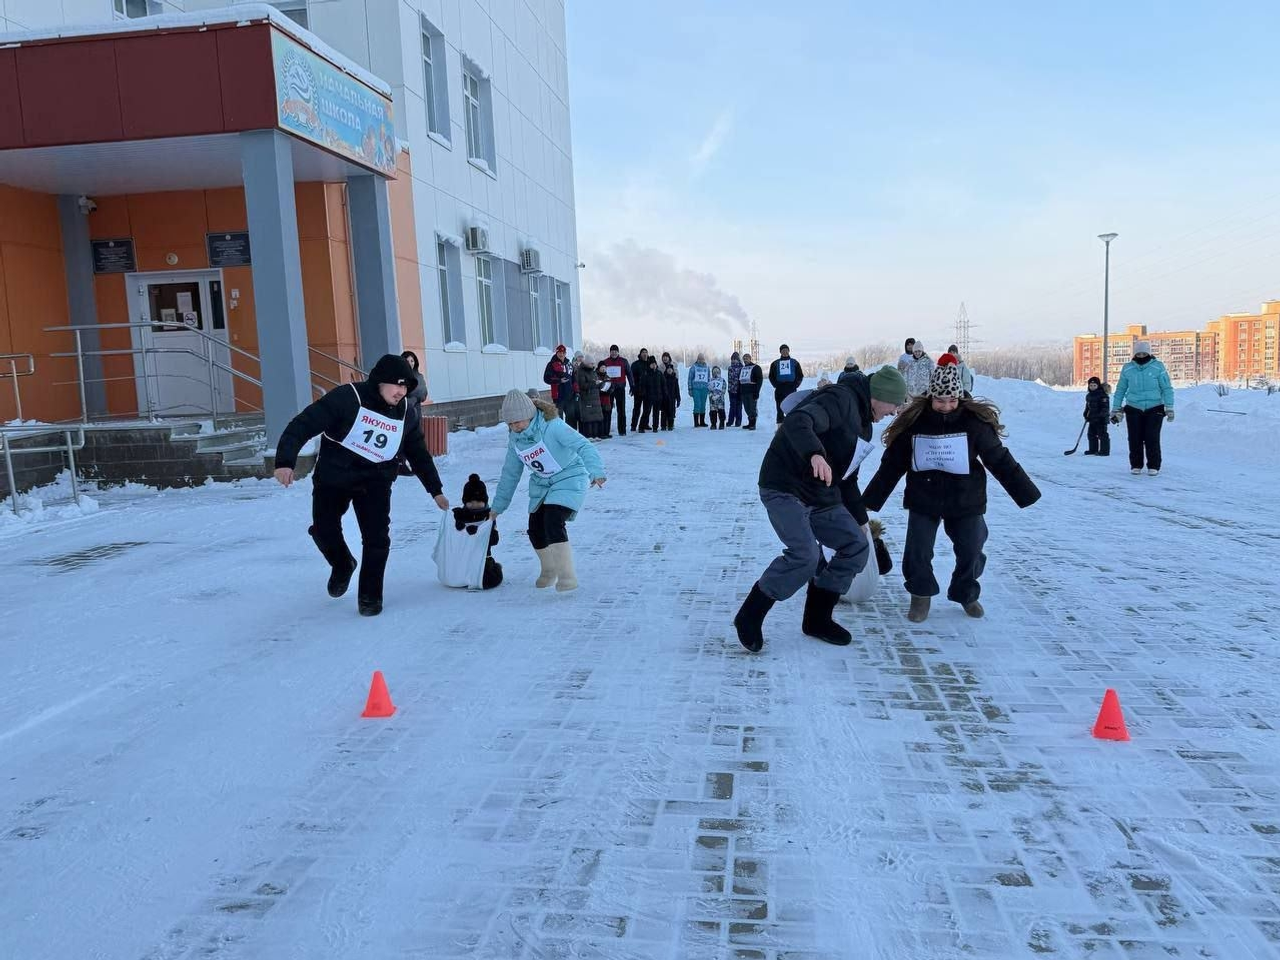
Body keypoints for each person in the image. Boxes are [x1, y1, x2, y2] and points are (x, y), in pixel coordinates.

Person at [732, 364, 908, 653]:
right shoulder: (840, 398)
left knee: (855, 544)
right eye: (894, 404)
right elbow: (798, 421)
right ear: (879, 395)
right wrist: (814, 453)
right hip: (785, 485)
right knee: (805, 556)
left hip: (820, 492)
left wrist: (862, 522)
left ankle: (817, 618)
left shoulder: (864, 424)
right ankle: (751, 614)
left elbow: (847, 478)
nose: (894, 412)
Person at [862, 354, 1041, 623]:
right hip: (924, 496)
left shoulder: (974, 423)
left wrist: (1025, 492)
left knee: (972, 548)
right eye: (940, 400)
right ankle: (920, 594)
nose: (946, 406)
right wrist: (870, 500)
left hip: (965, 497)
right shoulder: (916, 422)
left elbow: (998, 458)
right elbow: (893, 465)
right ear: (930, 397)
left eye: (952, 400)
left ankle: (965, 592)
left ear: (959, 397)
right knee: (918, 550)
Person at [273, 353, 449, 617]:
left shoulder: (405, 413)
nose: (401, 392)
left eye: (406, 387)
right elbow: (303, 424)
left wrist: (435, 490)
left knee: (377, 538)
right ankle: (343, 564)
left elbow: (418, 452)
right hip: (334, 477)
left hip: (375, 481)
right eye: (397, 385)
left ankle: (370, 597)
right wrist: (285, 461)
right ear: (380, 381)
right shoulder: (347, 398)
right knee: (323, 529)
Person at [490, 389, 606, 591]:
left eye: (518, 422)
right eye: (510, 424)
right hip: (542, 484)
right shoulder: (515, 441)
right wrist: (497, 508)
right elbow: (510, 474)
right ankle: (549, 569)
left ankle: (567, 576)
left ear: (529, 415)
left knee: (553, 519)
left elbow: (583, 445)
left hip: (570, 477)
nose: (515, 427)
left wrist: (596, 471)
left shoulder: (553, 426)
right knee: (535, 527)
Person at [1110, 340, 1174, 476]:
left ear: (1149, 354)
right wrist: (1115, 408)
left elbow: (1167, 388)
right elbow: (1121, 389)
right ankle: (1136, 464)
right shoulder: (1127, 368)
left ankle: (1154, 465)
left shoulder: (1158, 367)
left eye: (1144, 353)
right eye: (1138, 354)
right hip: (1133, 407)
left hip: (1155, 407)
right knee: (1135, 438)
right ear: (1134, 354)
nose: (1141, 356)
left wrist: (1169, 407)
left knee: (1152, 437)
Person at [435, 473, 503, 590]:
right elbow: (451, 533)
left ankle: (496, 568)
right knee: (451, 578)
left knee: (489, 581)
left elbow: (494, 540)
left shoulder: (489, 516)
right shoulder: (459, 514)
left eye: (478, 501)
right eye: (470, 502)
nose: (474, 505)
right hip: (462, 557)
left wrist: (478, 533)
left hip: (482, 559)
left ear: (485, 501)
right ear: (465, 501)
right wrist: (459, 527)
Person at [768, 344, 804, 422]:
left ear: (789, 351)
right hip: (780, 388)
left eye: (786, 350)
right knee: (779, 408)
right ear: (780, 352)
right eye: (783, 350)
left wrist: (795, 385)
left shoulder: (794, 362)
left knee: (792, 407)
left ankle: (792, 423)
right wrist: (776, 385)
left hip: (791, 388)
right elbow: (771, 376)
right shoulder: (775, 363)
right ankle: (780, 424)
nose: (785, 352)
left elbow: (800, 375)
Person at [543, 345, 577, 427]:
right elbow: (546, 378)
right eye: (559, 352)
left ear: (565, 353)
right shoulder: (551, 364)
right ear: (556, 353)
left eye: (563, 352)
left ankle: (570, 434)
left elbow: (574, 379)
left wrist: (576, 391)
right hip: (558, 397)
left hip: (569, 396)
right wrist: (559, 380)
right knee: (558, 419)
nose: (561, 354)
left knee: (571, 418)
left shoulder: (569, 364)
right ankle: (560, 434)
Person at [603, 345, 632, 436]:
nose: (614, 353)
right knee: (608, 410)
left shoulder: (623, 361)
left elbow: (629, 374)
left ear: (618, 352)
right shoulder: (605, 362)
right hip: (609, 389)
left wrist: (632, 386)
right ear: (610, 352)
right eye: (612, 351)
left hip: (620, 388)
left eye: (615, 351)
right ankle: (606, 430)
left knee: (621, 410)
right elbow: (600, 374)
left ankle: (622, 430)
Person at [575, 354, 604, 440]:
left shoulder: (593, 371)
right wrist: (594, 383)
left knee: (595, 417)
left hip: (595, 397)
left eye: (594, 363)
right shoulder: (581, 371)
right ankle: (588, 436)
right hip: (586, 398)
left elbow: (595, 381)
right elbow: (582, 385)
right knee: (588, 418)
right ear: (587, 363)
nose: (593, 365)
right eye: (591, 363)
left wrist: (600, 384)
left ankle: (595, 435)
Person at [1083, 375, 1111, 456]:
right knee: (1091, 434)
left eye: (1094, 385)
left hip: (1101, 419)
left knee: (1102, 435)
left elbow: (1105, 408)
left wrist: (1100, 416)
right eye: (1091, 385)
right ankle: (1093, 449)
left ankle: (1104, 451)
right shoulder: (1089, 396)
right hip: (1092, 419)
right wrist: (1086, 414)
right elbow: (1088, 407)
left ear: (1098, 386)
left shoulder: (1103, 395)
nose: (1092, 387)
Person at [638, 355, 663, 433]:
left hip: (657, 396)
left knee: (656, 413)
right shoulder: (645, 373)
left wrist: (663, 394)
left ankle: (655, 427)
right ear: (649, 365)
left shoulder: (659, 373)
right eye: (652, 364)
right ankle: (641, 427)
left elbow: (663, 385)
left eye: (654, 364)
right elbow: (642, 385)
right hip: (648, 397)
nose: (653, 365)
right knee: (646, 412)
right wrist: (643, 393)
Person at [738, 352, 764, 429]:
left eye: (747, 358)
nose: (745, 360)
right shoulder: (742, 369)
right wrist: (739, 392)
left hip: (752, 391)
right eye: (744, 359)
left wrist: (757, 391)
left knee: (752, 408)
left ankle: (753, 424)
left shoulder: (756, 367)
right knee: (747, 408)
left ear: (750, 358)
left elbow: (759, 380)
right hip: (744, 392)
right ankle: (750, 423)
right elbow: (740, 381)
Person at [630, 348, 651, 432]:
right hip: (638, 389)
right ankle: (633, 425)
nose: (644, 354)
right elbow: (631, 377)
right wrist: (632, 387)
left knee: (647, 409)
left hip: (648, 390)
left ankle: (645, 424)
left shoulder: (650, 363)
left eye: (646, 352)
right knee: (637, 408)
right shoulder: (635, 364)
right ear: (640, 354)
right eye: (643, 352)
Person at [688, 353, 711, 427]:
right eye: (699, 359)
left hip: (704, 389)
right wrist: (690, 389)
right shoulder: (693, 367)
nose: (701, 360)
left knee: (703, 405)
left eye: (702, 359)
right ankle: (696, 422)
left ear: (704, 359)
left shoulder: (707, 367)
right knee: (697, 404)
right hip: (696, 389)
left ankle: (702, 422)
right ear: (697, 359)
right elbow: (690, 378)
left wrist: (709, 388)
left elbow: (709, 378)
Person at [660, 352, 681, 430]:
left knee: (671, 411)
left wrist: (678, 398)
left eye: (666, 357)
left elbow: (677, 389)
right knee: (664, 411)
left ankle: (670, 424)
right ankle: (663, 425)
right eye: (663, 357)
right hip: (664, 397)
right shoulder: (660, 368)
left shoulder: (674, 376)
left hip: (672, 397)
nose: (665, 358)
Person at [596, 361, 614, 439]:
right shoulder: (596, 376)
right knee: (601, 417)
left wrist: (609, 391)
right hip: (599, 399)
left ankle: (607, 432)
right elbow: (595, 387)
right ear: (599, 368)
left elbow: (612, 387)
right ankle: (601, 433)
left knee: (607, 416)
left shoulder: (607, 377)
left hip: (607, 400)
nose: (603, 369)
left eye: (604, 367)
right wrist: (601, 391)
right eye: (602, 367)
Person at [727, 351, 745, 427]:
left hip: (739, 390)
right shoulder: (730, 368)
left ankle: (738, 421)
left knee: (739, 406)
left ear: (738, 359)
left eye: (735, 359)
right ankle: (730, 421)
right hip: (731, 390)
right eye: (732, 359)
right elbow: (729, 379)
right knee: (732, 406)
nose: (734, 360)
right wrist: (729, 389)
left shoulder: (742, 368)